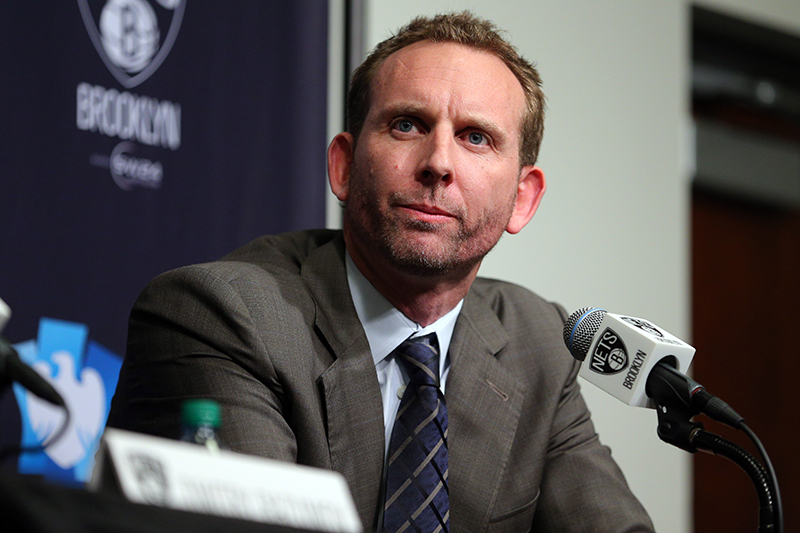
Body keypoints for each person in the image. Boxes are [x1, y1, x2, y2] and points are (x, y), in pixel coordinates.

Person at [107, 11, 655, 533]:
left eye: (475, 137)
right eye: (407, 125)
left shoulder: (539, 345)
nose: (438, 163)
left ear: (523, 199)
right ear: (343, 166)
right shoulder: (219, 315)